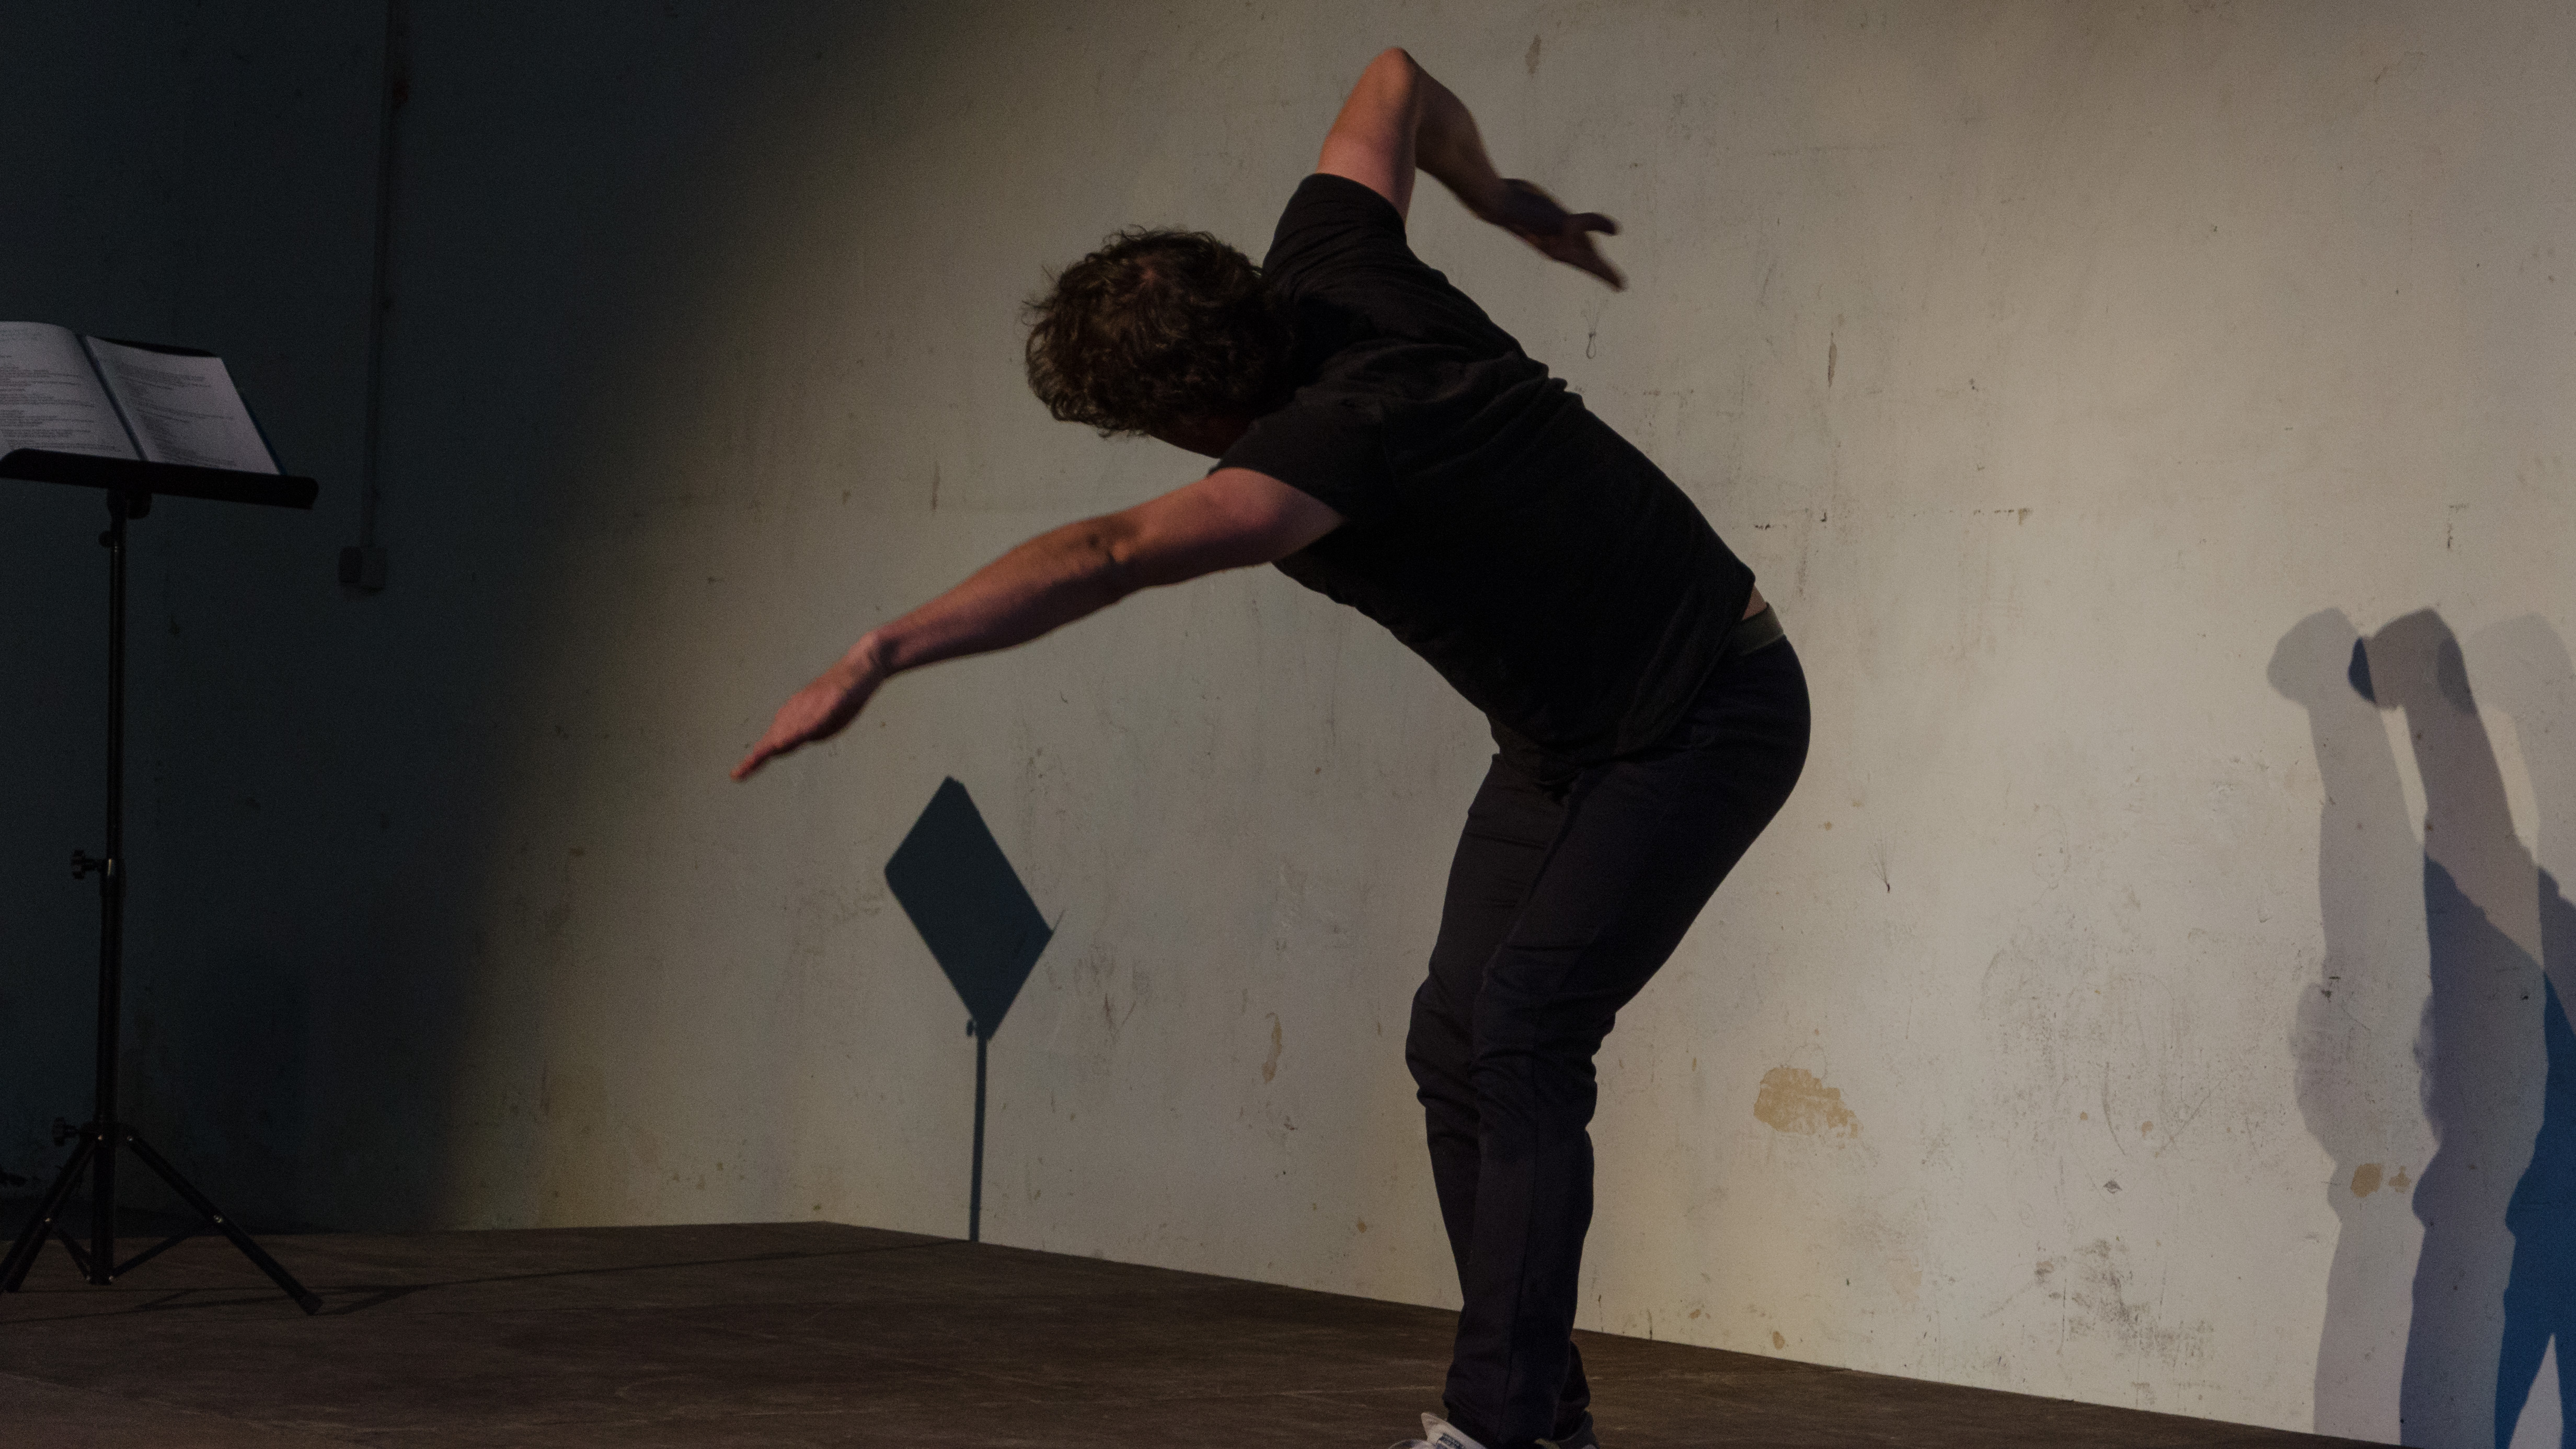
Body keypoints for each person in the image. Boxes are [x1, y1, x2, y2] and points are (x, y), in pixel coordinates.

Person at [734, 48, 1810, 1449]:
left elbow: (1109, 552)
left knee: (1528, 1023)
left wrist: (881, 651)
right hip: (1571, 740)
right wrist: (1497, 197)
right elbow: (1394, 80)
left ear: (1188, 420)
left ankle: (1496, 1425)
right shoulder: (1329, 257)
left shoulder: (1326, 452)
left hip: (1708, 713)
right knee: (1457, 1037)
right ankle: (1541, 1412)